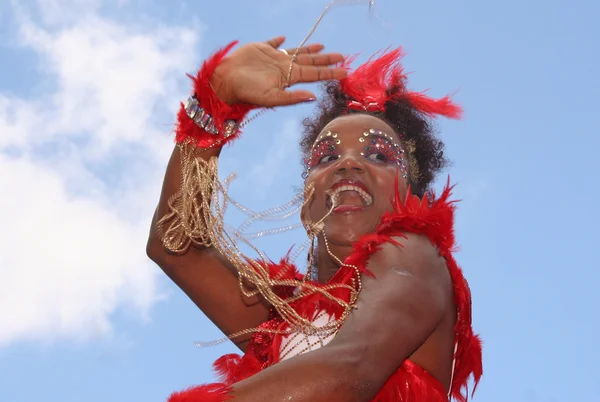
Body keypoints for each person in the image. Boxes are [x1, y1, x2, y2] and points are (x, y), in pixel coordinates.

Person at [146, 36, 482, 402]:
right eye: (325, 157)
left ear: (413, 198)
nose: (348, 164)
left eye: (379, 155)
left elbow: (351, 368)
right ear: (306, 206)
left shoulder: (416, 256)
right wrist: (214, 105)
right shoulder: (287, 319)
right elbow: (176, 248)